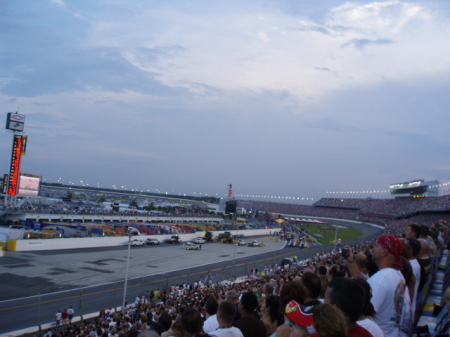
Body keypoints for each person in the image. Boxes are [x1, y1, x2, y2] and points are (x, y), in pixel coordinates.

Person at [367, 235, 410, 337]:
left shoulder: (380, 279)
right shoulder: (399, 276)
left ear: (384, 251)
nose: (373, 250)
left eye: (377, 246)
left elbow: (367, 314)